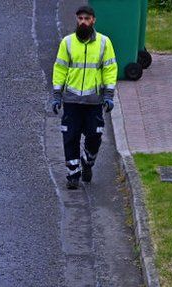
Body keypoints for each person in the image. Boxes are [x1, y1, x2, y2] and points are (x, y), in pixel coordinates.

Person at [51, 6, 118, 190]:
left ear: (93, 20)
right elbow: (60, 68)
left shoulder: (104, 43)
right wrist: (57, 95)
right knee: (70, 137)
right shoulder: (67, 42)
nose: (83, 22)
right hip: (71, 101)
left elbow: (110, 69)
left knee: (95, 137)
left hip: (93, 102)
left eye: (86, 18)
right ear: (76, 19)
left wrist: (109, 95)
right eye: (80, 18)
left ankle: (87, 162)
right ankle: (73, 174)